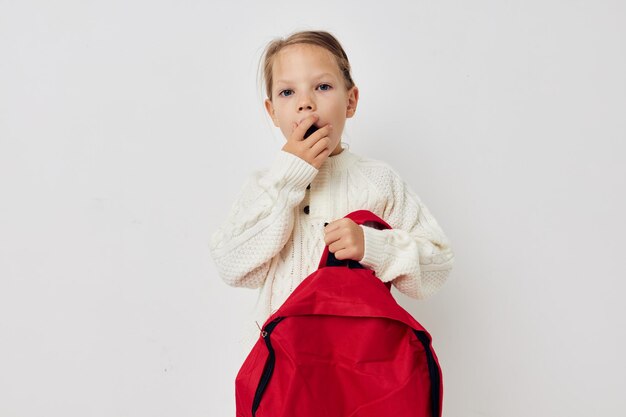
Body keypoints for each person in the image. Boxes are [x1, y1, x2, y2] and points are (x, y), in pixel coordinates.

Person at [209, 30, 455, 348]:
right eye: (287, 93)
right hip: (283, 372)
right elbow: (232, 265)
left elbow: (437, 263)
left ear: (350, 101)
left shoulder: (378, 180)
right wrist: (289, 178)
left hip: (356, 366)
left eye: (322, 87)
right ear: (272, 112)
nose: (305, 103)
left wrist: (373, 246)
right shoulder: (267, 185)